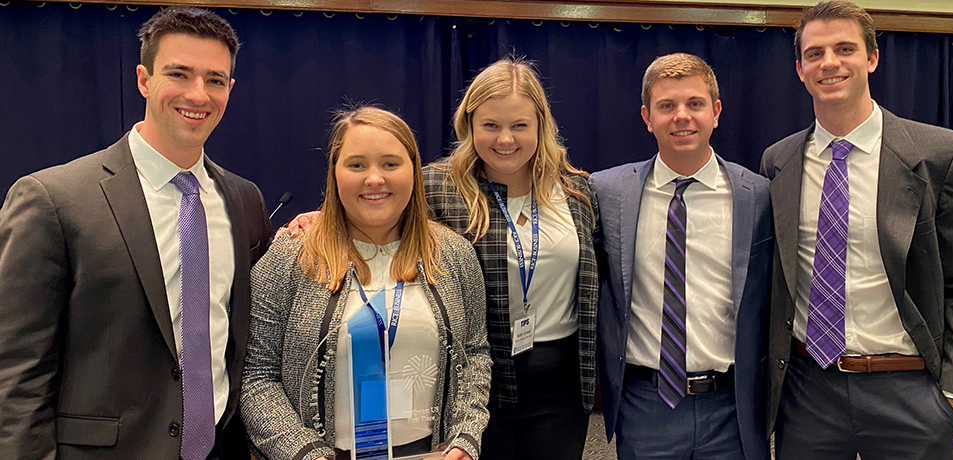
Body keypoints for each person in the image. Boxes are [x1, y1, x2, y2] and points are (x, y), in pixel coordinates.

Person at [0, 7, 272, 459]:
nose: (198, 94)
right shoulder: (51, 199)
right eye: (179, 74)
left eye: (215, 80)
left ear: (230, 88)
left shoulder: (245, 202)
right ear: (144, 80)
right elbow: (15, 376)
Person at [760, 2, 953, 459]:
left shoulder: (943, 155)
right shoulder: (778, 162)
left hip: (911, 394)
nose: (829, 63)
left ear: (872, 58)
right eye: (815, 53)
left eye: (844, 49)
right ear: (800, 69)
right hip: (810, 393)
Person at [241, 106, 491, 460]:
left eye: (390, 164)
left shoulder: (454, 255)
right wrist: (304, 453)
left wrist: (466, 438)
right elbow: (256, 376)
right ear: (335, 173)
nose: (374, 179)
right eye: (357, 165)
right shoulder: (290, 258)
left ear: (413, 172)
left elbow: (475, 356)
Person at [591, 53, 773, 460]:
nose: (682, 116)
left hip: (731, 404)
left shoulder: (758, 195)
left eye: (694, 103)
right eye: (667, 106)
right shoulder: (606, 192)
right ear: (647, 116)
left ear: (716, 112)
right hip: (645, 404)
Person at [421, 58, 601, 460]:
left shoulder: (576, 191)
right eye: (491, 125)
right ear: (469, 125)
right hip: (474, 388)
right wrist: (316, 218)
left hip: (561, 389)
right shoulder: (435, 188)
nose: (505, 139)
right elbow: (371, 217)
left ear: (540, 125)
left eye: (519, 125)